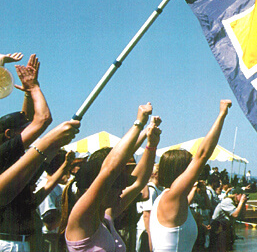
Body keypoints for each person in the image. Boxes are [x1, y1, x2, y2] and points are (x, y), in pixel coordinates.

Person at [60, 103, 161, 252]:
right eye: (116, 185)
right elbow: (109, 170)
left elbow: (139, 182)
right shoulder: (81, 218)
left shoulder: (106, 218)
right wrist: (139, 123)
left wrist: (151, 145)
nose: (122, 189)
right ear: (95, 187)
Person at [0, 54, 74, 252]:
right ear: (9, 135)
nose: (28, 131)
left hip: (19, 241)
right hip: (10, 243)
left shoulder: (9, 155)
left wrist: (27, 93)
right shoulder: (4, 152)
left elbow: (29, 120)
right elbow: (42, 120)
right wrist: (34, 87)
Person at [150, 99, 232, 252]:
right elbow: (202, 155)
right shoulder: (172, 197)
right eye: (190, 167)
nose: (195, 172)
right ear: (181, 172)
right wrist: (222, 114)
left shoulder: (164, 199)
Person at [36, 150, 75, 252]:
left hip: (57, 237)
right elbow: (50, 223)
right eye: (67, 168)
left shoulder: (56, 186)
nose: (70, 171)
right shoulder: (45, 187)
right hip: (49, 238)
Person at [136, 164, 163, 252]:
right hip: (146, 231)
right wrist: (150, 239)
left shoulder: (158, 190)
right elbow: (147, 215)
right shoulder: (151, 190)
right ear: (155, 174)